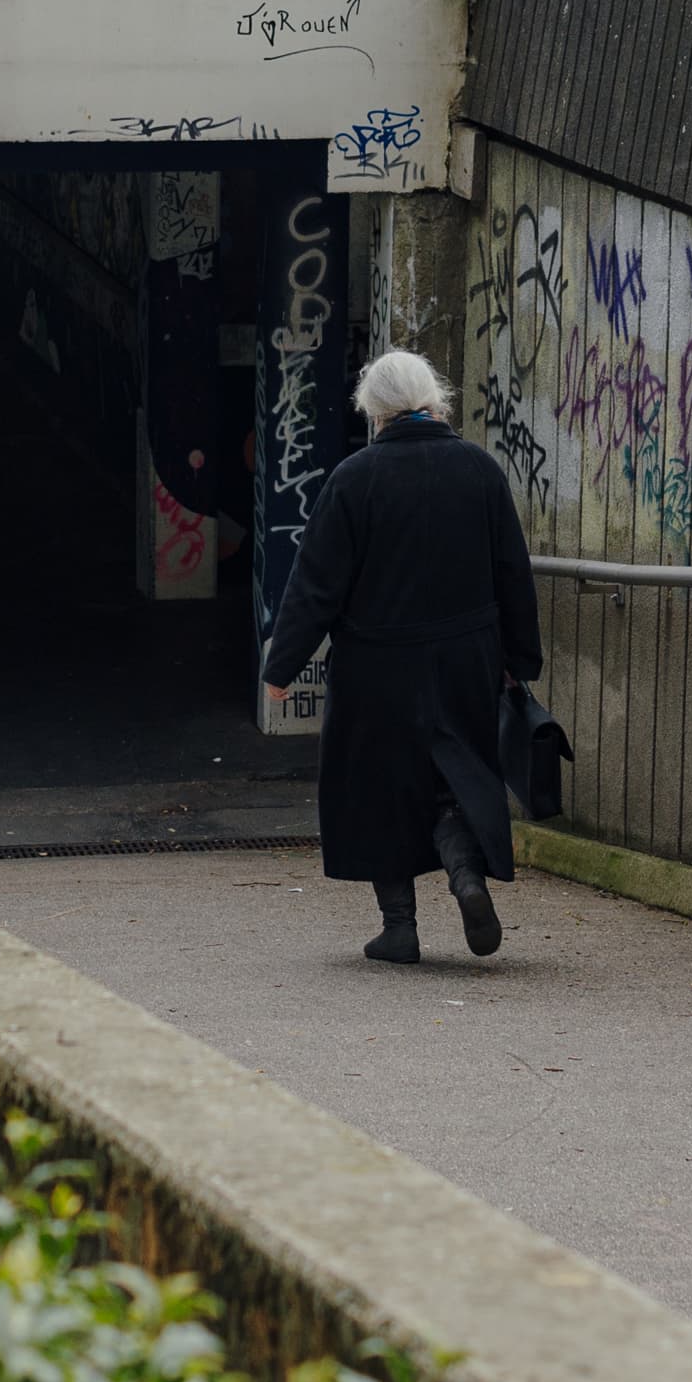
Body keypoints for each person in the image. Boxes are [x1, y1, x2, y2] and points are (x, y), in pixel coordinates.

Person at [263, 349, 543, 968]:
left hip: (376, 664)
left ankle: (399, 929)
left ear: (374, 412)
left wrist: (282, 667)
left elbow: (316, 584)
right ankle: (466, 876)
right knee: (452, 779)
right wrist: (521, 659)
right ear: (434, 400)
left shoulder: (355, 478)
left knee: (378, 786)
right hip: (466, 656)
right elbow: (512, 574)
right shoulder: (479, 469)